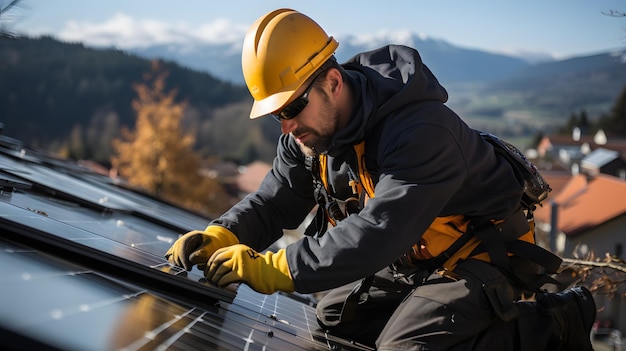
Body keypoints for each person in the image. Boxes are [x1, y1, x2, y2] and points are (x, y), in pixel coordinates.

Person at [165, 8, 596, 350]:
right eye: (278, 114)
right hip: (417, 258)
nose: (287, 126)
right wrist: (220, 235)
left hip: (484, 256)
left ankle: (553, 324)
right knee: (335, 316)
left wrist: (274, 268)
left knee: (405, 347)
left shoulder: (422, 132)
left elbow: (379, 232)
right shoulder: (314, 136)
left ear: (332, 82)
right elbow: (274, 203)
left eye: (292, 108)